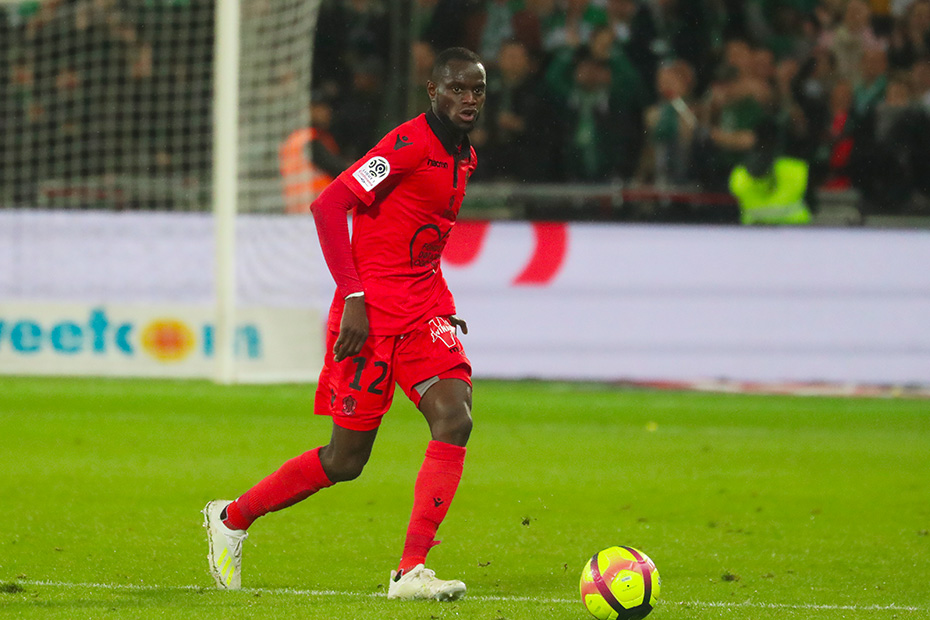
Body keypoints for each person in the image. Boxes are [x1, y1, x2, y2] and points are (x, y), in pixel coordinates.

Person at [202, 47, 486, 602]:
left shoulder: (465, 156)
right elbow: (329, 205)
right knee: (345, 460)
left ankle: (410, 570)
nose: (468, 98)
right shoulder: (406, 145)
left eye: (476, 89)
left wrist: (440, 300)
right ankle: (232, 517)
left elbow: (421, 236)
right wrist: (353, 294)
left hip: (423, 311)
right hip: (369, 316)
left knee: (455, 418)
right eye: (456, 88)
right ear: (433, 91)